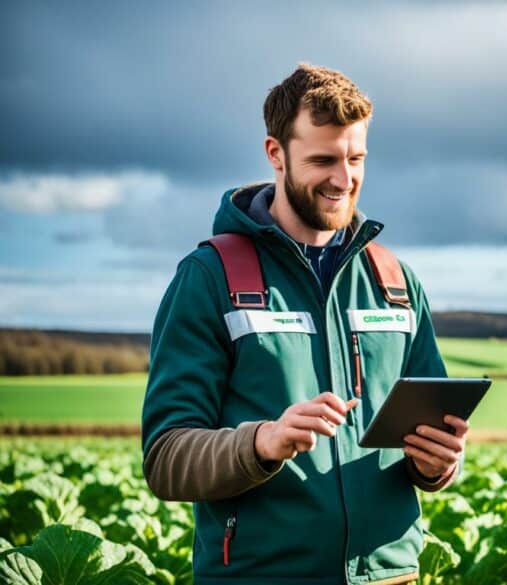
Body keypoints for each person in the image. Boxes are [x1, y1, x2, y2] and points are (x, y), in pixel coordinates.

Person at [141, 64, 464, 585]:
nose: (343, 179)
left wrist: (438, 465)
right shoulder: (209, 279)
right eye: (322, 160)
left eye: (355, 159)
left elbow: (434, 438)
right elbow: (166, 458)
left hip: (389, 576)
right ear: (276, 154)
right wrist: (262, 442)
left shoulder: (394, 281)